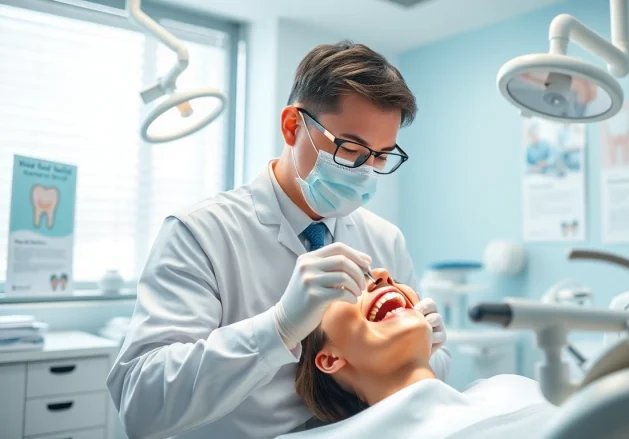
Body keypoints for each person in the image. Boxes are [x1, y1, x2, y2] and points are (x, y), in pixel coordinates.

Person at [106, 41, 451, 439]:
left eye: (379, 157)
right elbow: (139, 405)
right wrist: (277, 328)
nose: (364, 171)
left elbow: (416, 383)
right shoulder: (199, 234)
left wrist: (428, 347)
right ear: (292, 126)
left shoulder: (384, 239)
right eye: (351, 149)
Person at [279, 268, 556, 438]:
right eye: (344, 286)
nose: (382, 274)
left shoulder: (510, 388)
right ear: (329, 359)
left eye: (387, 276)